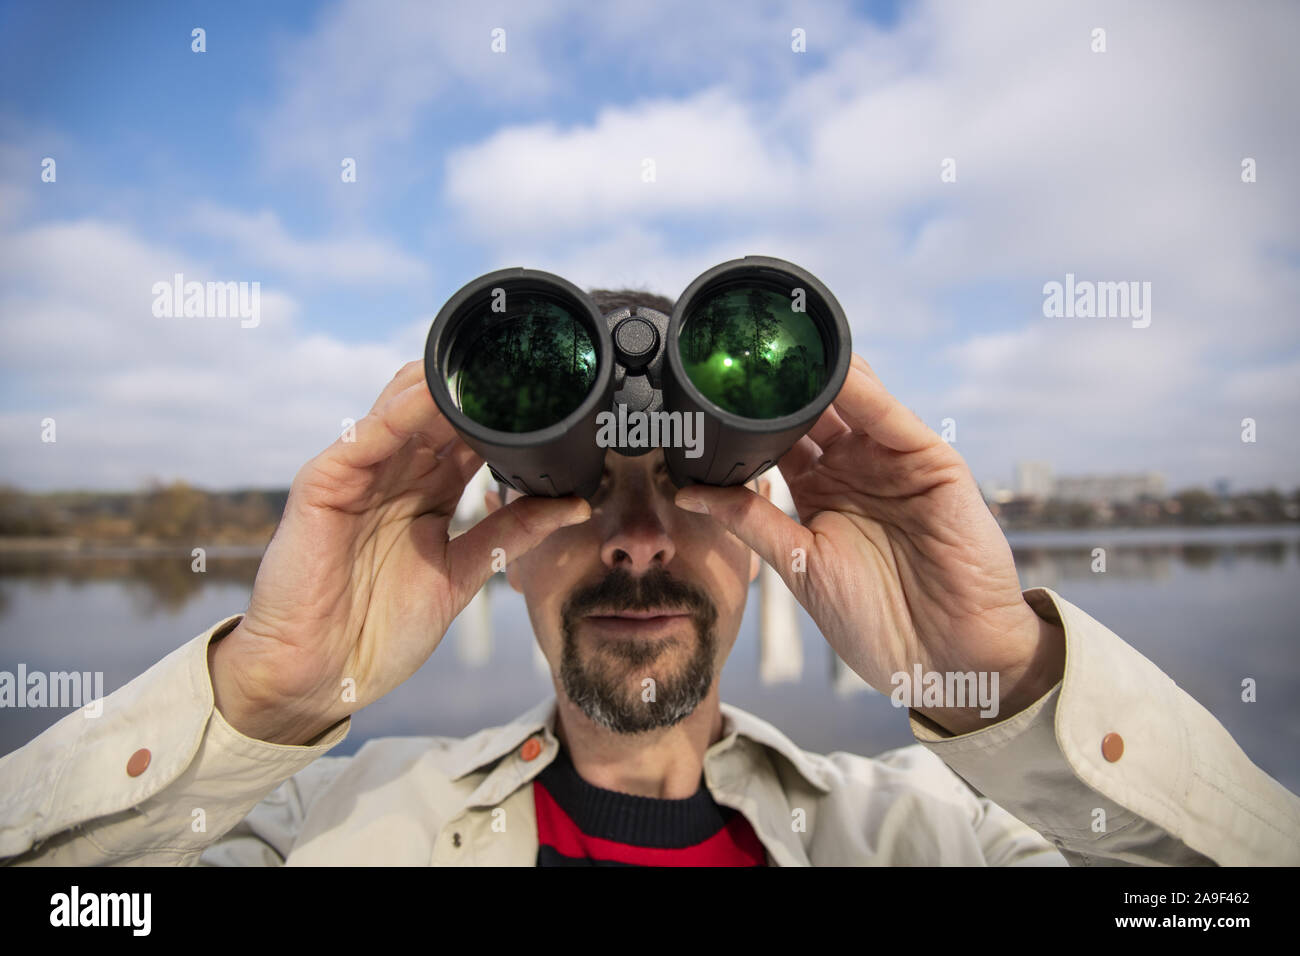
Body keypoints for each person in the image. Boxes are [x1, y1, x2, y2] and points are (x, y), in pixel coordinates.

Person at [2, 289, 1298, 867]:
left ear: (765, 520)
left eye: (691, 490)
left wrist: (1005, 681)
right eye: (573, 491)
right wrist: (267, 704)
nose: (633, 541)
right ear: (496, 533)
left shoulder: (945, 838)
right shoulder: (314, 835)